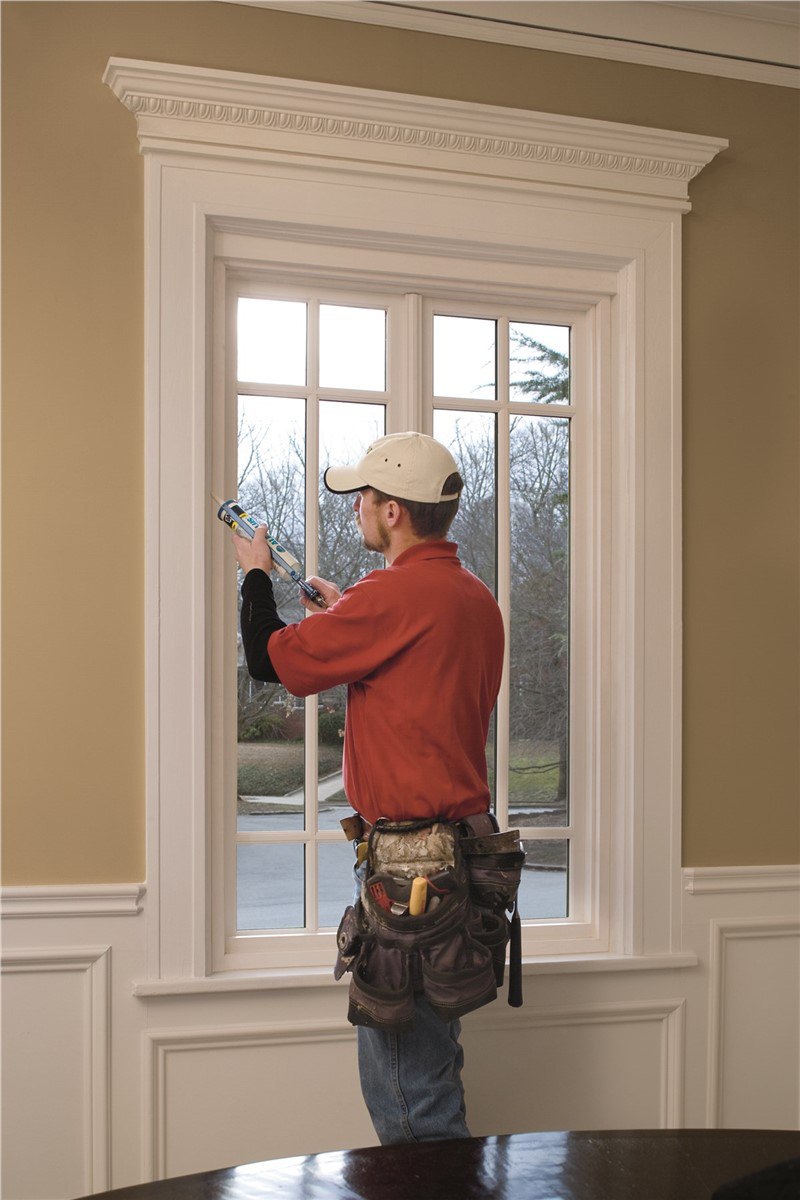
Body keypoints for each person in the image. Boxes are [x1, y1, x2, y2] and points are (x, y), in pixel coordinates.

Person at [232, 431, 505, 1145]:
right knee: (432, 1068)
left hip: (411, 873)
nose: (356, 507)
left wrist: (255, 575)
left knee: (406, 1090)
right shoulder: (472, 597)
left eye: (364, 496)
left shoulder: (389, 597)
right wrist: (342, 614)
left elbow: (270, 661)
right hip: (461, 864)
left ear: (392, 513)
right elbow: (412, 679)